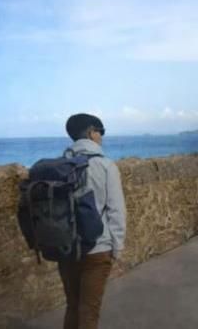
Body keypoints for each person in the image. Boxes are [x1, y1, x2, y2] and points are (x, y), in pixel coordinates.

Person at [59, 113, 126, 329]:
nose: (102, 136)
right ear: (91, 132)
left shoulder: (60, 165)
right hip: (97, 249)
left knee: (73, 306)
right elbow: (116, 211)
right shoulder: (106, 165)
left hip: (67, 247)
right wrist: (116, 249)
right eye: (101, 131)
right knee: (89, 311)